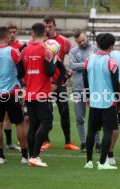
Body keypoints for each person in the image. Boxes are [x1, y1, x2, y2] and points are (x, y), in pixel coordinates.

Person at [83, 33, 120, 170]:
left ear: (98, 45)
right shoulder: (111, 61)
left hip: (94, 101)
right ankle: (102, 163)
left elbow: (84, 78)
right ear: (111, 46)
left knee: (91, 131)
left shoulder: (89, 59)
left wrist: (88, 95)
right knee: (107, 131)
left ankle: (88, 162)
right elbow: (116, 83)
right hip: (108, 102)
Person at [0, 26, 28, 165]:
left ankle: (1, 157)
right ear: (6, 36)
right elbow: (21, 70)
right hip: (12, 92)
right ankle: (24, 156)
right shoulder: (13, 51)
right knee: (19, 122)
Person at [19, 23, 56, 167]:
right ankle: (35, 155)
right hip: (41, 93)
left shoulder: (25, 50)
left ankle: (31, 156)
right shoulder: (46, 50)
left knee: (34, 124)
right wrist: (52, 59)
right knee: (47, 122)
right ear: (45, 34)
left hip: (29, 93)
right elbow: (50, 72)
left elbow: (20, 73)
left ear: (32, 34)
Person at [42, 15, 79, 151]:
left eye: (50, 26)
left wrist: (69, 71)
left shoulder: (63, 41)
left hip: (58, 83)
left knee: (64, 109)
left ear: (54, 26)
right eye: (45, 26)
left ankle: (68, 141)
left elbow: (74, 54)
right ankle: (45, 140)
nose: (47, 29)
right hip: (44, 83)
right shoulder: (41, 42)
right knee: (46, 111)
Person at [69, 29, 101, 153]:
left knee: (96, 117)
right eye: (79, 42)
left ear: (86, 37)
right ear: (76, 41)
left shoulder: (95, 49)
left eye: (83, 40)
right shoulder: (73, 51)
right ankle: (83, 143)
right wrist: (89, 63)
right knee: (79, 117)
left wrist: (82, 65)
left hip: (94, 87)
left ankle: (97, 143)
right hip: (78, 88)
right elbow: (72, 66)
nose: (82, 43)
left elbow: (98, 63)